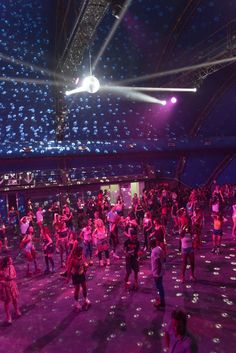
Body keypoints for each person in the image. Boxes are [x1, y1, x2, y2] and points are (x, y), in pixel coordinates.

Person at [66, 246, 90, 310]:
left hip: (81, 274)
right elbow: (69, 269)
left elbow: (85, 263)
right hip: (75, 276)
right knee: (77, 289)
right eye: (81, 251)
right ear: (78, 252)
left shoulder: (82, 257)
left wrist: (86, 265)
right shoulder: (73, 260)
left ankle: (85, 299)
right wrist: (68, 278)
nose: (82, 252)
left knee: (84, 287)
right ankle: (76, 303)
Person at [0, 256, 21, 324]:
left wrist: (12, 277)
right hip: (5, 286)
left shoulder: (12, 266)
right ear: (6, 261)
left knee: (15, 298)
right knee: (7, 301)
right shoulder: (1, 269)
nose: (11, 261)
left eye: (11, 260)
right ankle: (8, 316)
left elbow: (15, 274)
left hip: (12, 284)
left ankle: (17, 310)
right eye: (10, 260)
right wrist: (2, 281)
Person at [150, 238, 165, 308]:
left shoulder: (154, 251)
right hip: (160, 270)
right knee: (159, 285)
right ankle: (161, 298)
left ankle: (162, 301)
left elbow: (158, 261)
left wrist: (157, 272)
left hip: (157, 271)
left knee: (159, 286)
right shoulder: (159, 248)